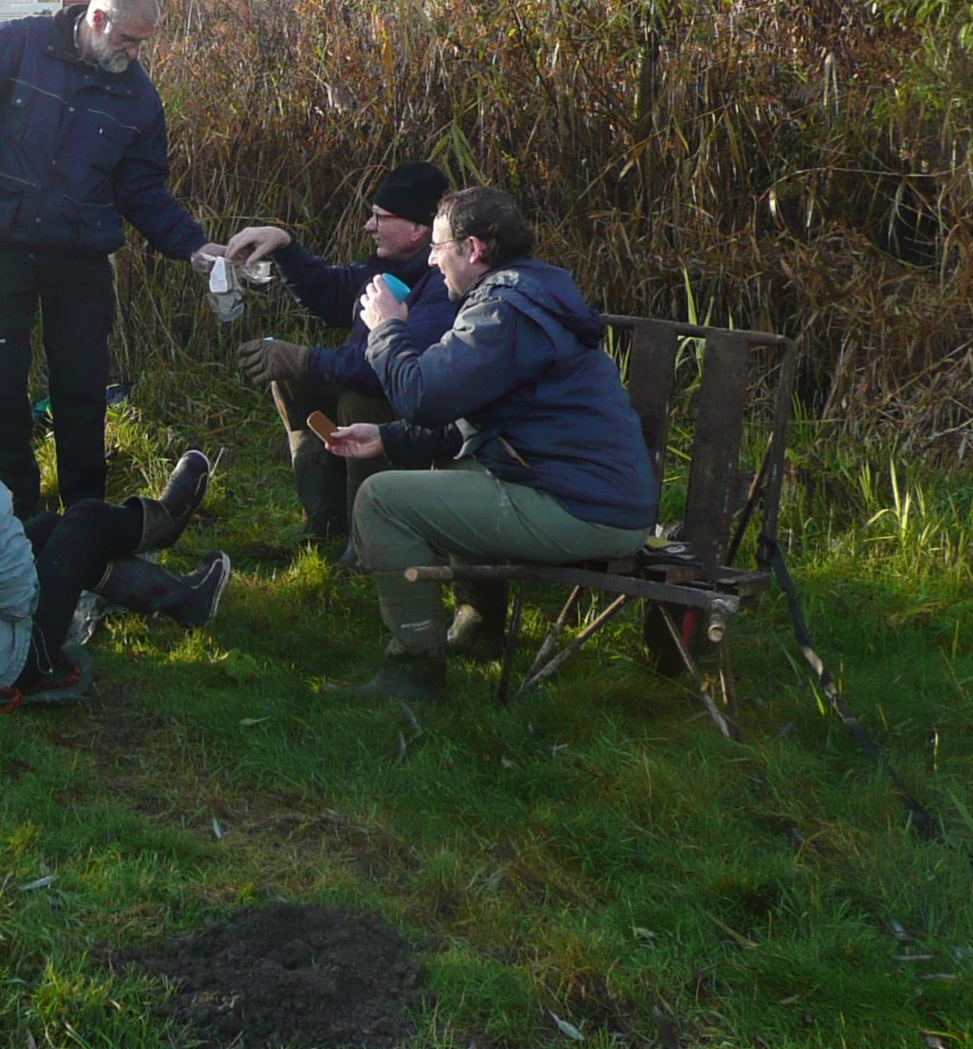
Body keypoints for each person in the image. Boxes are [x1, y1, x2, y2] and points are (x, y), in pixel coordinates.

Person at [324, 185, 659, 702]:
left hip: (584, 509)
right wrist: (387, 437)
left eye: (439, 249)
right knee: (455, 472)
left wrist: (387, 331)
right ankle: (480, 629)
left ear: (473, 249)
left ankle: (413, 669)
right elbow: (469, 414)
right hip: (598, 496)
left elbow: (424, 396)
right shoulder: (525, 294)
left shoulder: (503, 313)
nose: (433, 263)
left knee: (381, 501)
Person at [0, 0, 226, 519]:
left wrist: (195, 248)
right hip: (0, 248)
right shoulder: (14, 45)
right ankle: (13, 508)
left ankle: (88, 513)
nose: (134, 54)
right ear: (99, 20)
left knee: (82, 387)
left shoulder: (139, 99)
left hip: (80, 259)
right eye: (129, 41)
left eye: (142, 45)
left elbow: (144, 192)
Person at [0, 341, 227, 703]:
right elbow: (17, 599)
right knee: (82, 523)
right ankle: (162, 524)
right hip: (1, 668)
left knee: (53, 527)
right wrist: (52, 572)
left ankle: (183, 599)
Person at [225, 161, 460, 549]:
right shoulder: (389, 267)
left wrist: (304, 358)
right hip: (385, 395)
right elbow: (332, 293)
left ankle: (368, 537)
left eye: (380, 217)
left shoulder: (442, 285)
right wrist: (285, 247)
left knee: (357, 397)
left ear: (419, 229)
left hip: (420, 425)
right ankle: (323, 522)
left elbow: (383, 370)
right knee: (292, 380)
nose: (369, 226)